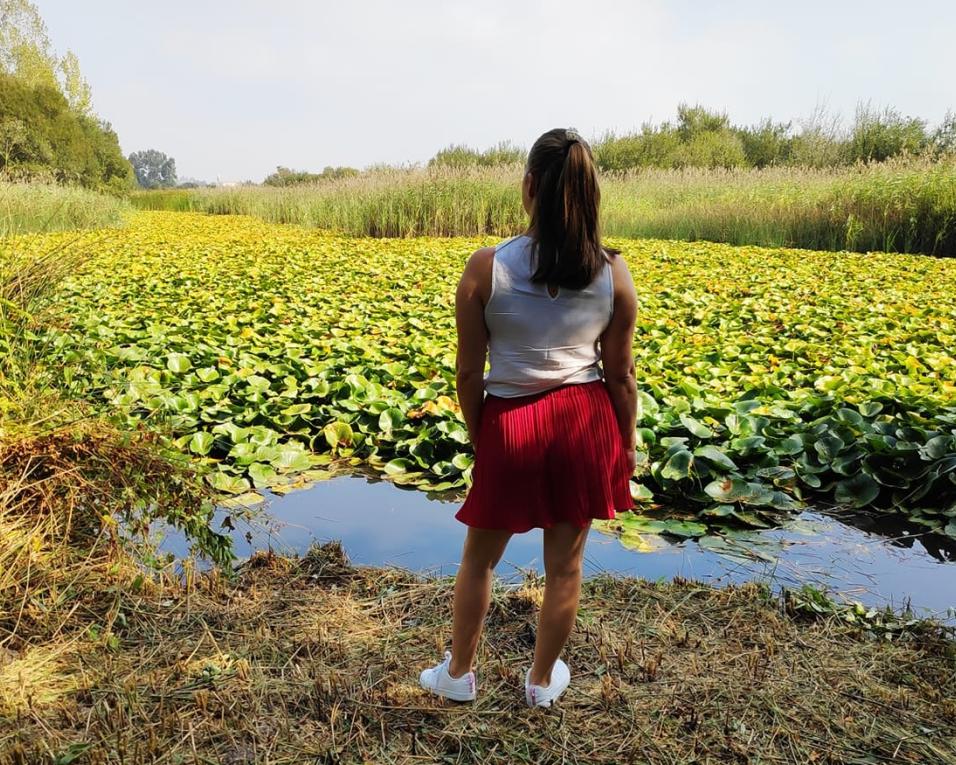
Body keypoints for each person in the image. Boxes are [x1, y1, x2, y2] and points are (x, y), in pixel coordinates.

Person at [418, 128, 639, 708]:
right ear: (590, 193)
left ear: (530, 188)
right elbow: (620, 376)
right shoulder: (614, 275)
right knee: (564, 569)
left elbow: (469, 374)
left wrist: (481, 437)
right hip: (584, 424)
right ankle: (541, 684)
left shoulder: (486, 268)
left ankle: (459, 675)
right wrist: (628, 441)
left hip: (510, 423)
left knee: (479, 558)